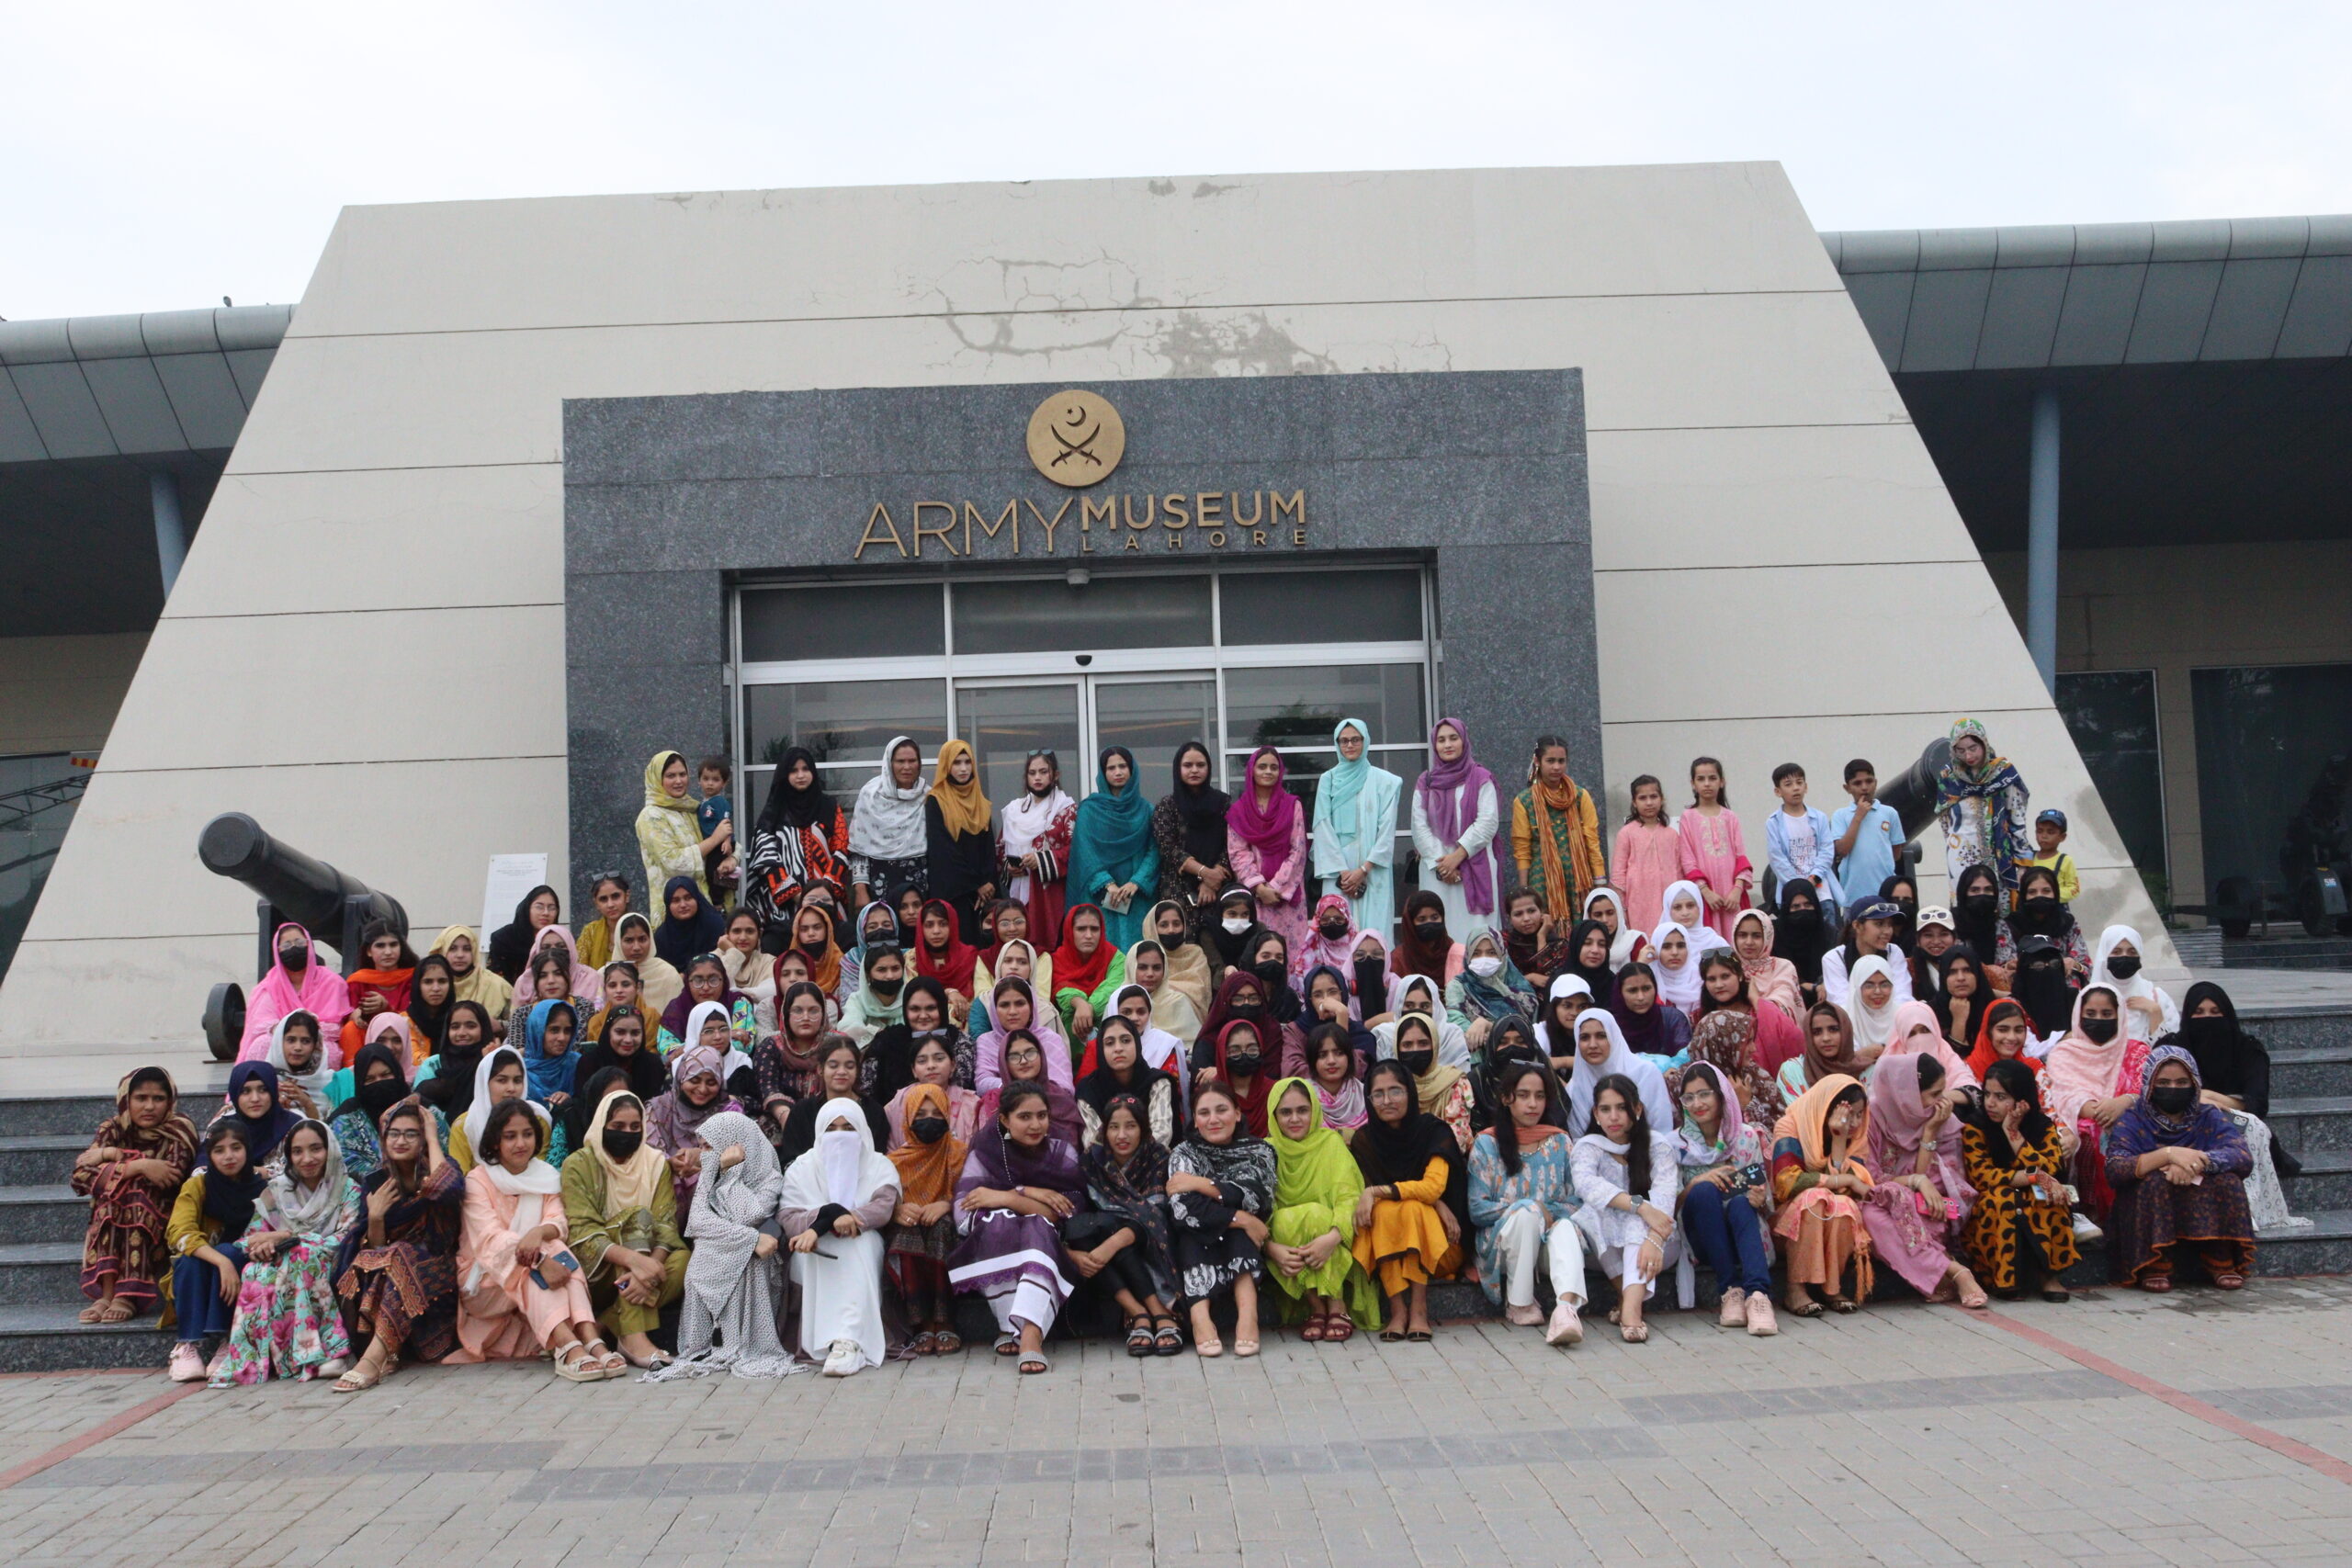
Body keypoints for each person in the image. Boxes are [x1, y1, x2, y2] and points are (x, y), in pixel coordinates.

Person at [452, 1099, 620, 1379]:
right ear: (495, 1142)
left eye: (527, 1134)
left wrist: (537, 1233)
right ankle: (568, 1346)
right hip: (484, 1282)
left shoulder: (545, 1176)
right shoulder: (478, 1181)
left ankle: (591, 1340)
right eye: (510, 1136)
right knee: (534, 1263)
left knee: (555, 1246)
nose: (521, 1143)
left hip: (536, 1265)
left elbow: (558, 1222)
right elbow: (491, 1241)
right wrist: (539, 1259)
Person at [205, 1117, 360, 1386]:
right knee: (254, 1269)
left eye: (315, 1149)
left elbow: (346, 1237)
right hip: (286, 1261)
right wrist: (263, 1247)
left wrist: (286, 1238)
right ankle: (265, 1358)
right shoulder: (278, 1190)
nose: (307, 1159)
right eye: (297, 1151)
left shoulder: (347, 1189)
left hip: (333, 1261)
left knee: (303, 1256)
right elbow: (249, 1240)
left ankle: (333, 1351)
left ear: (330, 1150)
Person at [951, 1080, 1088, 1374]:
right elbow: (964, 1216)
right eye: (1024, 1117)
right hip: (999, 1237)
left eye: (1042, 1115)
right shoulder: (986, 1153)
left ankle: (1029, 1335)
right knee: (999, 1225)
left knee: (1038, 1228)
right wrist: (1024, 1201)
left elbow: (1064, 1213)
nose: (1036, 1125)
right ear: (1004, 1119)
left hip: (1050, 1238)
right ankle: (1011, 1324)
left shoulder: (1060, 1151)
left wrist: (1013, 1196)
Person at [648, 1108, 795, 1380]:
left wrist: (730, 1173)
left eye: (710, 1147)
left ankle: (735, 1342)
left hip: (752, 1258)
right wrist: (751, 1239)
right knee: (705, 1252)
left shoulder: (768, 1178)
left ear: (735, 1145)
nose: (704, 1154)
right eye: (702, 1147)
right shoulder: (710, 1173)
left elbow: (748, 1216)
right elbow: (698, 1222)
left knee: (745, 1259)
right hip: (730, 1245)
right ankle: (700, 1347)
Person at [331, 1098, 464, 1392]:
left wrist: (433, 1137)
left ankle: (372, 1359)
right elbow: (374, 1248)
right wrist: (376, 1217)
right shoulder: (377, 1181)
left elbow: (446, 1190)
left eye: (411, 1134)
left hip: (439, 1271)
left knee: (399, 1256)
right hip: (392, 1275)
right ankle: (384, 1349)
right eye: (394, 1133)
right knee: (382, 1258)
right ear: (383, 1136)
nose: (401, 1141)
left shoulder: (443, 1167)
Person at [2105, 1045, 2257, 1292]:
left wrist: (2196, 1162)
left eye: (2182, 1082)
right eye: (2164, 1082)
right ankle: (2154, 1263)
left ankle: (2219, 1257)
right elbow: (2116, 1168)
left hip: (2197, 1183)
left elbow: (2241, 1156)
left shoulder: (2207, 1115)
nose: (2173, 1089)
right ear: (2150, 1084)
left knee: (2229, 1180)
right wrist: (2166, 1156)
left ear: (2194, 1083)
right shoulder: (2133, 1119)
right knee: (2153, 1182)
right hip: (2148, 1199)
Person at [561, 1090, 687, 1368]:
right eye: (617, 1126)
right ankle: (635, 1338)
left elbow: (666, 1224)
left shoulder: (655, 1164)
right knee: (634, 1219)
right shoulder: (578, 1165)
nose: (626, 1134)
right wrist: (634, 1260)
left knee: (682, 1260)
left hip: (640, 1268)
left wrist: (648, 1268)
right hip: (596, 1271)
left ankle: (608, 1324)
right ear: (601, 1125)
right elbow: (582, 1231)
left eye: (634, 1127)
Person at [777, 1097, 900, 1376]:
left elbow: (883, 1207)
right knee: (811, 1255)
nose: (840, 1135)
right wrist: (831, 1220)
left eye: (848, 1128)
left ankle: (850, 1341)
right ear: (819, 1131)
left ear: (862, 1130)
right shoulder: (801, 1168)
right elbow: (788, 1217)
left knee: (861, 1248)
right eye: (831, 1129)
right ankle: (825, 1341)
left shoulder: (879, 1164)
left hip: (862, 1236)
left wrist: (848, 1220)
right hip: (812, 1244)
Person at [2175, 981, 2307, 1232]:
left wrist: (2208, 1097)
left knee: (2248, 1126)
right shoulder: (2173, 1046)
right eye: (2199, 1012)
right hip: (2185, 1124)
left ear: (2227, 1013)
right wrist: (2199, 1102)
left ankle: (2246, 1206)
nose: (2207, 1019)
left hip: (2239, 1124)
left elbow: (2257, 1102)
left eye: (2215, 1012)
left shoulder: (2247, 1048)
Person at [1468, 1059, 1585, 1344]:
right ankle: (1519, 1303)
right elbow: (1477, 1210)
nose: (1533, 1104)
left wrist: (1545, 1211)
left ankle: (1566, 1310)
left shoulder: (1560, 1142)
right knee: (1526, 1213)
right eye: (1523, 1095)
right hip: (1502, 1247)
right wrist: (1528, 1208)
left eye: (1540, 1096)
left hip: (1547, 1245)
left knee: (1566, 1228)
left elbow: (1576, 1203)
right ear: (1507, 1098)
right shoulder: (1487, 1143)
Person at [74, 1067, 198, 1325]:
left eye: (158, 1098)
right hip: (114, 1213)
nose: (149, 1106)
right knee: (114, 1200)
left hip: (163, 1217)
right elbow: (80, 1176)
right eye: (141, 1098)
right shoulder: (113, 1128)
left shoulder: (179, 1129)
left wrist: (111, 1159)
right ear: (126, 1100)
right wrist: (140, 1165)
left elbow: (171, 1176)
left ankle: (128, 1294)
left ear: (170, 1101)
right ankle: (108, 1294)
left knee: (134, 1196)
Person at [1348, 1059, 1464, 1339]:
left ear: (1410, 1093)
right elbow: (1368, 1205)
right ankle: (1398, 1310)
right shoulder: (1365, 1141)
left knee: (1411, 1208)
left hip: (1442, 1245)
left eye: (1395, 1091)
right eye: (1378, 1094)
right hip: (1388, 1238)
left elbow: (1432, 1187)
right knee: (1386, 1211)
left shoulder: (1434, 1131)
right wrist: (1430, 1202)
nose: (1387, 1101)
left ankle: (1419, 1309)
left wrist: (1377, 1191)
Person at [1861, 1055, 1987, 1308]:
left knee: (1924, 1213)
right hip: (1882, 1201)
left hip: (1928, 1205)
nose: (1942, 1101)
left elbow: (1944, 1182)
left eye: (1944, 1092)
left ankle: (1940, 1279)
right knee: (1872, 1218)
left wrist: (1929, 1132)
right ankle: (1955, 1271)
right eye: (1934, 1094)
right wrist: (1916, 1180)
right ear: (1906, 1094)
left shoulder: (1942, 1119)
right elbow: (1871, 1179)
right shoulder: (1872, 1117)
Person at [1261, 1077, 1380, 1341]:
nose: (1295, 1119)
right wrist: (1271, 1248)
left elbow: (1349, 1198)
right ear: (1274, 1115)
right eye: (1285, 1112)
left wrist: (1332, 1238)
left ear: (1315, 1111)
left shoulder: (1330, 1144)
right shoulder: (1266, 1151)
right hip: (1286, 1244)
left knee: (1316, 1215)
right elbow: (1261, 1209)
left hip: (1334, 1238)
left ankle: (1336, 1303)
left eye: (1302, 1110)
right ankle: (1315, 1305)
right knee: (1283, 1219)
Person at [1167, 1078, 1274, 1358]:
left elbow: (1257, 1198)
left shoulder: (1259, 1151)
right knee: (1196, 1232)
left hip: (1238, 1238)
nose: (1213, 1119)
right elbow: (1183, 1207)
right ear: (1195, 1120)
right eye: (1204, 1113)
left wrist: (1201, 1184)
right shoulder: (1183, 1153)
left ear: (1237, 1113)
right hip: (1197, 1235)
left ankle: (1248, 1316)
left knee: (1236, 1233)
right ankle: (1200, 1317)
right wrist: (1240, 1217)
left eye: (1222, 1110)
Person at [1072, 1092, 1186, 1356]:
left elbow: (1157, 1215)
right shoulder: (1092, 1160)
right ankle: (1142, 1311)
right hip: (1105, 1241)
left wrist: (1113, 1243)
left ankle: (1149, 1313)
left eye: (1131, 1126)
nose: (1121, 1135)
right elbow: (1084, 1212)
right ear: (1104, 1130)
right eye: (1114, 1127)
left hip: (1151, 1243)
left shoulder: (1158, 1157)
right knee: (1083, 1228)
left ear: (1143, 1128)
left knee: (1120, 1232)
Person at [1956, 1060, 2080, 1301]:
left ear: (2023, 1101)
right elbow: (1981, 1176)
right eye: (1987, 1094)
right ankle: (2003, 1278)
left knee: (2047, 1196)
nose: (1990, 1103)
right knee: (2004, 1198)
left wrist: (2013, 1134)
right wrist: (2031, 1177)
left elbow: (2051, 1168)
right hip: (1991, 1200)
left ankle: (2049, 1276)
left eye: (2001, 1097)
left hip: (2031, 1192)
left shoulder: (2042, 1126)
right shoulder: (1975, 1126)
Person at [1571, 1075, 1679, 1342]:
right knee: (1590, 1213)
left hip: (1658, 1245)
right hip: (1600, 1247)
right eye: (1605, 1109)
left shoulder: (1657, 1145)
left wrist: (1654, 1239)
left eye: (1621, 1107)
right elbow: (1587, 1186)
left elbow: (1665, 1201)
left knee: (1635, 1221)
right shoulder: (1588, 1147)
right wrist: (1640, 1206)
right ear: (1595, 1114)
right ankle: (1627, 1295)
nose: (1614, 1117)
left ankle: (1630, 1311)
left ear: (1637, 1109)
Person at [1672, 1062, 1778, 1335]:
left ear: (1721, 1095)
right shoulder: (1676, 1145)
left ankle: (1758, 1296)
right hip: (1701, 1236)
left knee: (1742, 1202)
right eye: (1689, 1097)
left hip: (1742, 1230)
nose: (1697, 1104)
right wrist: (1695, 1183)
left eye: (1704, 1094)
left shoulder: (1745, 1137)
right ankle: (1730, 1289)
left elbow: (1765, 1202)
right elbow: (1668, 1206)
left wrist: (1758, 1198)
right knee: (1705, 1191)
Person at [165, 1122, 265, 1382]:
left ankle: (228, 1342)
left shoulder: (264, 1188)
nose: (228, 1156)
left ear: (248, 1150)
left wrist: (228, 1258)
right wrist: (222, 1262)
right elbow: (179, 1232)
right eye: (219, 1150)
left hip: (249, 1267)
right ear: (209, 1155)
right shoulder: (198, 1185)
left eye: (236, 1148)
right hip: (204, 1270)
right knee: (190, 1260)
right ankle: (186, 1345)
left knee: (230, 1251)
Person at [1769, 1074, 1875, 1316]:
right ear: (1826, 1108)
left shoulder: (1855, 1138)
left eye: (1860, 1114)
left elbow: (1846, 1192)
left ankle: (1831, 1288)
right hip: (1786, 1223)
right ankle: (1795, 1290)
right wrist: (1844, 1179)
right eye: (1848, 1114)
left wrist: (1838, 1140)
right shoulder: (1791, 1125)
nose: (1855, 1123)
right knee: (1813, 1199)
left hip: (1826, 1217)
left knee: (1843, 1204)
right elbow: (1788, 1183)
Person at [2043, 984, 2143, 1225]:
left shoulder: (2137, 1051)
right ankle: (2092, 1215)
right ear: (2079, 1015)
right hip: (2081, 1123)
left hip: (2131, 1121)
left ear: (2119, 1015)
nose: (2098, 1020)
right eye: (2090, 1014)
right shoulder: (2063, 1053)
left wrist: (2123, 1102)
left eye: (2106, 1014)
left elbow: (2146, 1089)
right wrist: (2102, 1111)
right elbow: (2066, 1095)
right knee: (2091, 1139)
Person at [885, 1083, 970, 1356]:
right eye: (920, 1115)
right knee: (907, 1234)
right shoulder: (893, 1161)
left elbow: (971, 1192)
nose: (929, 1120)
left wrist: (946, 1205)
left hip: (949, 1225)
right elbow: (881, 1199)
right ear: (908, 1118)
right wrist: (897, 1210)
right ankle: (921, 1323)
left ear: (947, 1115)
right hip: (907, 1225)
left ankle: (945, 1320)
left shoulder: (960, 1153)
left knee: (940, 1229)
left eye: (936, 1113)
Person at [743, 746, 852, 942]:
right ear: (784, 775)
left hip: (827, 901)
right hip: (785, 907)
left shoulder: (829, 806)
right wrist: (797, 895)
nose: (800, 775)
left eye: (805, 769)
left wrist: (822, 893)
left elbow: (841, 848)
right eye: (793, 771)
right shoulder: (773, 811)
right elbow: (766, 859)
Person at [1411, 718, 1502, 941]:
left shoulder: (1481, 778)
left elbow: (1488, 822)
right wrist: (1443, 865)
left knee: (1478, 934)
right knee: (1439, 932)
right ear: (1435, 745)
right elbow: (1419, 825)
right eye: (1441, 740)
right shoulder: (1426, 781)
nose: (1448, 745)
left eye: (1454, 738)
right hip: (1437, 871)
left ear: (1464, 741)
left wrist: (1458, 856)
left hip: (1474, 866)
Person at [1069, 748, 1164, 955]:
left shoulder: (1146, 810)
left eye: (1123, 766)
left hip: (1137, 896)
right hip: (1100, 895)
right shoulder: (1089, 810)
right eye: (1111, 768)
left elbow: (1154, 850)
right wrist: (1108, 884)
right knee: (1103, 952)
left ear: (1132, 770)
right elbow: (1085, 850)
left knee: (1139, 954)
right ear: (1103, 773)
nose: (1118, 772)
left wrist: (1136, 882)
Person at [1312, 717, 1403, 935]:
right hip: (1338, 871)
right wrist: (1344, 873)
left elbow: (1387, 829)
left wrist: (1364, 870)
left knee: (1374, 930)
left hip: (1373, 869)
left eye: (1356, 739)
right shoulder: (1328, 780)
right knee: (1338, 929)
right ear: (1337, 744)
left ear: (1365, 741)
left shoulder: (1386, 782)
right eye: (1344, 741)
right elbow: (1322, 826)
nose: (1350, 745)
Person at [1688, 953, 1794, 1124]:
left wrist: (1757, 1000)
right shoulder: (1699, 1019)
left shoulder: (1758, 1077)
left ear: (1739, 975)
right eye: (1712, 979)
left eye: (1725, 976)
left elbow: (1792, 1038)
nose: (1719, 984)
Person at [645, 1037, 744, 1214]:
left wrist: (702, 1159)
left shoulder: (730, 1111)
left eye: (711, 1082)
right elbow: (648, 1151)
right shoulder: (658, 1108)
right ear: (681, 1077)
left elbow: (739, 1155)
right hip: (662, 1190)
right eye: (694, 1080)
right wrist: (669, 1163)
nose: (702, 1089)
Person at [1509, 734, 1604, 918]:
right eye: (1550, 761)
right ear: (1537, 761)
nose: (1556, 767)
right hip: (1542, 879)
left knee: (1582, 927)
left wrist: (1600, 882)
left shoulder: (1580, 796)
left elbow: (1592, 841)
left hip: (1579, 879)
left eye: (1561, 761)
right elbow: (1522, 850)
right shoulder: (1524, 801)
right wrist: (1525, 891)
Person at [1936, 719, 2031, 896]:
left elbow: (2017, 819)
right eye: (1961, 751)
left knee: (1995, 899)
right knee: (1966, 901)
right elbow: (1945, 823)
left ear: (1983, 743)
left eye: (1973, 748)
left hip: (1997, 853)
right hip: (1961, 854)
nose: (1968, 756)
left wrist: (2023, 862)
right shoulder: (1948, 777)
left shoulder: (2003, 772)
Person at [992, 749, 1075, 944]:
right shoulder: (1014, 810)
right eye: (1032, 773)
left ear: (1055, 775)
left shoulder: (1066, 809)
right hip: (1018, 892)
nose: (1037, 777)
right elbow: (1001, 849)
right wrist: (1010, 866)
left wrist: (1041, 860)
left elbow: (1075, 851)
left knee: (1046, 945)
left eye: (1043, 772)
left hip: (1049, 894)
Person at [238, 923, 354, 1063]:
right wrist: (290, 1036)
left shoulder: (331, 981)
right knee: (262, 1044)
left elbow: (334, 1027)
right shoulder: (269, 985)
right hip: (281, 1042)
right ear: (277, 951)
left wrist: (304, 1035)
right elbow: (262, 1023)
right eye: (286, 945)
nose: (294, 948)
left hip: (316, 1040)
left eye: (299, 943)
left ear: (309, 945)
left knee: (330, 1050)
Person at [1151, 739, 1234, 932]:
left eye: (1200, 765)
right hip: (1177, 887)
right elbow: (1168, 848)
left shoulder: (1223, 803)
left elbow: (1232, 844)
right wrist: (1205, 873)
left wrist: (1211, 881)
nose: (1194, 770)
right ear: (1178, 769)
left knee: (1216, 941)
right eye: (1188, 765)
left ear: (1209, 768)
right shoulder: (1167, 806)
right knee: (1180, 941)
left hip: (1218, 886)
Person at [923, 739, 997, 942]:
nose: (963, 769)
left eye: (967, 762)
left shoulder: (981, 802)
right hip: (954, 892)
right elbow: (944, 850)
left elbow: (988, 848)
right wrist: (976, 884)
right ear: (946, 766)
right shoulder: (936, 801)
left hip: (984, 894)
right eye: (956, 763)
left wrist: (988, 882)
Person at [1564, 1010, 1676, 1138]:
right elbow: (1576, 1139)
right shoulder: (1574, 1089)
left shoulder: (1646, 1073)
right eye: (1584, 1038)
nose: (1592, 1045)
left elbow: (1662, 1130)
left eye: (1601, 1036)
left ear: (1614, 1036)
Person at [1674, 757, 1751, 940]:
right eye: (1701, 779)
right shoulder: (1688, 817)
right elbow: (1687, 860)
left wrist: (1737, 890)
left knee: (1735, 940)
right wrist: (1705, 892)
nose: (1707, 784)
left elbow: (1741, 857)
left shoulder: (1730, 817)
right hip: (1705, 896)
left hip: (1732, 895)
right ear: (1693, 784)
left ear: (1722, 782)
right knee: (1709, 942)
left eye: (1712, 778)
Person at [638, 751, 724, 915]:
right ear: (657, 779)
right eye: (671, 776)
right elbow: (675, 864)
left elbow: (727, 838)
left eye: (682, 774)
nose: (678, 781)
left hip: (706, 908)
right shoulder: (651, 816)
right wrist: (714, 840)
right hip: (672, 913)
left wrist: (733, 858)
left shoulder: (693, 809)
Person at [777, 1038, 888, 1166]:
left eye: (849, 1066)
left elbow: (877, 1158)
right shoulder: (802, 1112)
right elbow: (791, 1158)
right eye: (833, 1066)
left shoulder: (874, 1112)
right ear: (820, 1069)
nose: (841, 1072)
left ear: (857, 1070)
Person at [849, 736, 932, 906]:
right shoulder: (870, 795)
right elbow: (859, 849)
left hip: (919, 881)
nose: (906, 767)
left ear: (919, 764)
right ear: (889, 763)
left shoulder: (929, 797)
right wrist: (860, 890)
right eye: (900, 761)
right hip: (879, 879)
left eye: (912, 761)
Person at [862, 975, 965, 1110]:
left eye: (931, 1008)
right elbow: (867, 1091)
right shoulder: (888, 1040)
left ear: (941, 1008)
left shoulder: (958, 1041)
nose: (923, 1016)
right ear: (905, 1010)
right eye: (915, 1009)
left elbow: (963, 1085)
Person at [1077, 1015, 1181, 1148]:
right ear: (1101, 1049)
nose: (1118, 1048)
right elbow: (1093, 1142)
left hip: (1153, 1159)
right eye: (1109, 1043)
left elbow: (1161, 1134)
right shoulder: (1088, 1089)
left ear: (1137, 1044)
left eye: (1126, 1040)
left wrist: (1132, 1157)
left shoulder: (1158, 1082)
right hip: (1104, 1161)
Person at [1765, 763, 1844, 919]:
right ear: (1777, 791)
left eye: (1799, 783)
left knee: (1828, 930)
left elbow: (1826, 851)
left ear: (1806, 787)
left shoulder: (1819, 818)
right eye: (1788, 784)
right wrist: (1798, 886)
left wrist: (1813, 879)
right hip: (1791, 893)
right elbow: (1777, 858)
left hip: (1821, 891)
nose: (1795, 788)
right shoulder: (1773, 822)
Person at [1611, 776, 1679, 956]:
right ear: (1634, 802)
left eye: (1653, 797)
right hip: (1638, 903)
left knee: (1668, 945)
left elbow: (1679, 871)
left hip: (1667, 902)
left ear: (1662, 799)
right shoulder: (1627, 833)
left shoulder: (1672, 835)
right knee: (1643, 947)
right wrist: (1622, 909)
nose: (1649, 803)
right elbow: (1618, 874)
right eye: (1643, 798)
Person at [1446, 931, 1538, 1057]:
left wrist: (1487, 1025)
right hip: (1474, 1059)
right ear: (1468, 956)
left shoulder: (1520, 988)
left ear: (1502, 954)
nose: (1484, 958)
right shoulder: (1459, 986)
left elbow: (1528, 1031)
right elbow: (1457, 1024)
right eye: (1476, 953)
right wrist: (1489, 1037)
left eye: (1491, 952)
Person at [337, 919, 419, 1062]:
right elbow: (343, 1016)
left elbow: (412, 1020)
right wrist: (354, 1015)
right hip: (367, 1039)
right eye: (380, 946)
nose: (388, 952)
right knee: (350, 1029)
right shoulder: (357, 981)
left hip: (402, 1039)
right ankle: (355, 1071)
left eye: (393, 945)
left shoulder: (413, 977)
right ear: (369, 951)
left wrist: (386, 1008)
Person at [1828, 759, 1903, 913]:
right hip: (1853, 894)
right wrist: (1858, 817)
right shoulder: (1840, 815)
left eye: (1869, 781)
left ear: (1875, 782)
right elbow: (1842, 850)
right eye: (1857, 783)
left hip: (1885, 891)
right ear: (1847, 788)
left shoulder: (1889, 813)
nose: (1864, 787)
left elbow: (1896, 852)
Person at [883, 1036, 981, 1150]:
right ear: (914, 1070)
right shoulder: (899, 1103)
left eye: (939, 1059)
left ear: (953, 1065)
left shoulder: (972, 1104)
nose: (931, 1066)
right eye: (922, 1061)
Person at [1046, 903, 1123, 1043]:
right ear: (1069, 931)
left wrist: (1089, 1008)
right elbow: (1060, 987)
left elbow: (1113, 987)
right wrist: (1078, 1002)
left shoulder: (1114, 957)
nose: (1088, 935)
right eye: (1081, 929)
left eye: (1094, 929)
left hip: (1110, 1035)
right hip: (1065, 1040)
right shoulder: (1055, 960)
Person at [2091, 924, 2179, 1043]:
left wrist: (2155, 1012)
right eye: (2116, 952)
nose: (2125, 956)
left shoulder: (2157, 998)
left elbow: (2173, 1047)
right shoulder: (2087, 1001)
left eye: (2132, 952)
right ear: (2104, 956)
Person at [1823, 898, 1915, 1010]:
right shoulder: (1835, 957)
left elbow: (1903, 997)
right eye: (1879, 924)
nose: (1887, 931)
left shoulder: (1893, 952)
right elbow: (1842, 1003)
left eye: (1890, 924)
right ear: (1857, 926)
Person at [217, 1060, 304, 1170]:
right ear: (235, 1094)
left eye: (263, 1090)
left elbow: (301, 1167)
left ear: (273, 1092)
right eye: (245, 1091)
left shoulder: (294, 1127)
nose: (255, 1099)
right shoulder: (223, 1124)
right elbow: (203, 1165)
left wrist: (262, 1173)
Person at [911, 897, 981, 1026]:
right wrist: (948, 992)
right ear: (921, 928)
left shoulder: (970, 956)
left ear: (952, 925)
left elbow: (980, 999)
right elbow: (912, 998)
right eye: (929, 925)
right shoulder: (913, 958)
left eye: (943, 924)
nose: (936, 931)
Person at [1777, 1001, 1861, 1104]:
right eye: (1817, 1032)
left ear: (1845, 1031)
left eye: (1833, 1029)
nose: (1826, 1038)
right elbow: (1796, 1113)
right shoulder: (1793, 1071)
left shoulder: (1865, 1072)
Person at [429, 925, 514, 1026]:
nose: (460, 955)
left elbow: (517, 1027)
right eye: (452, 949)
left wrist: (500, 1026)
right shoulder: (431, 985)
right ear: (442, 951)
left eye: (467, 949)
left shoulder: (498, 986)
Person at [1609, 964, 1690, 1070]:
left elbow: (1685, 1059)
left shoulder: (1672, 1018)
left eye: (1646, 989)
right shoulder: (1609, 1024)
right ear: (1620, 993)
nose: (1641, 997)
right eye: (1632, 990)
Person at [1949, 864, 2017, 989]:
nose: (1982, 895)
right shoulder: (1950, 925)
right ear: (1963, 893)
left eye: (1988, 890)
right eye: (1975, 890)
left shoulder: (2001, 926)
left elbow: (2008, 965)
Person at [1770, 881, 1831, 1009]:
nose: (1803, 910)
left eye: (1808, 905)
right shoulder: (1774, 936)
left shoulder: (1829, 933)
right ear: (1786, 909)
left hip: (1827, 996)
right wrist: (1810, 987)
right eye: (1796, 906)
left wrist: (1824, 985)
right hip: (1788, 998)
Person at [1300, 1020, 1368, 1133]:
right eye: (1322, 1055)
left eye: (1339, 1053)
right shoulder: (1303, 1095)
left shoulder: (1365, 1094)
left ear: (1349, 1057)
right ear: (1312, 1060)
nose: (1331, 1061)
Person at [267, 1011, 339, 1117]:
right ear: (279, 1042)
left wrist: (307, 1103)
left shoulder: (329, 1082)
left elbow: (329, 1125)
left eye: (306, 1041)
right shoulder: (266, 1080)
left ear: (316, 1045)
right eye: (291, 1040)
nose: (298, 1048)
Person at [485, 886, 560, 987]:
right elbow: (495, 979)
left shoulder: (560, 940)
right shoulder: (503, 939)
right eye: (539, 907)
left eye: (551, 908)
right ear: (527, 908)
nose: (546, 913)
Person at [610, 912, 682, 1016]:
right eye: (629, 940)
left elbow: (677, 1017)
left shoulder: (667, 974)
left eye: (642, 939)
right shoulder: (605, 975)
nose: (636, 947)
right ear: (618, 942)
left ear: (651, 939)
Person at [1503, 889, 1573, 991]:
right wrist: (1530, 978)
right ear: (1510, 918)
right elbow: (1499, 982)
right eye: (1518, 914)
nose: (1526, 918)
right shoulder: (1503, 944)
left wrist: (1541, 937)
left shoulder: (1559, 945)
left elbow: (1550, 980)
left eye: (1531, 911)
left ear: (1542, 912)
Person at [1965, 997, 2040, 1085]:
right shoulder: (1966, 1072)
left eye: (2018, 1030)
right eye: (2002, 1030)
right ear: (1988, 1032)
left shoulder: (2034, 1069)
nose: (2012, 1037)